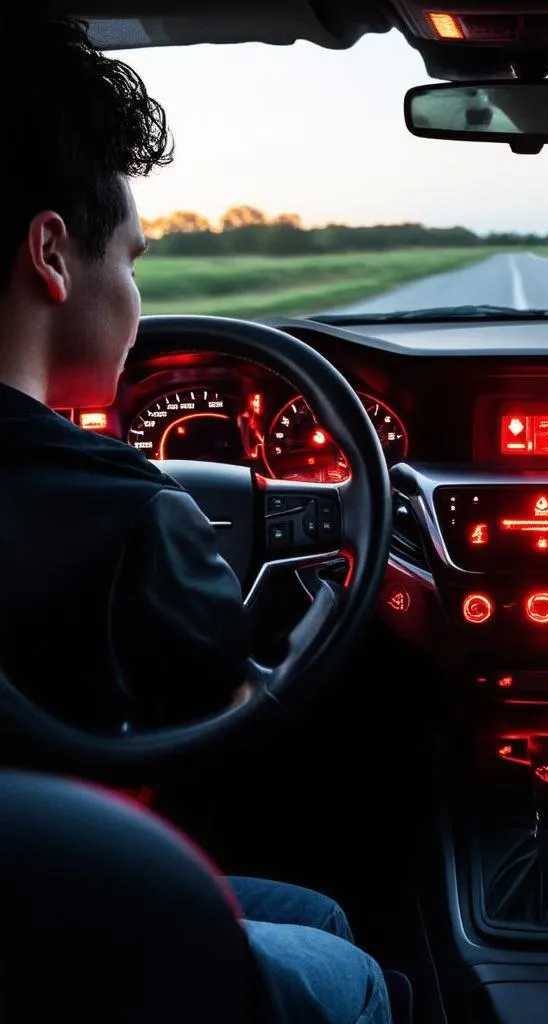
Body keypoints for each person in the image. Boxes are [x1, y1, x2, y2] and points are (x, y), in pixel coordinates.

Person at [0, 16, 395, 1024]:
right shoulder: (130, 511)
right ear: (51, 253)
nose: (136, 291)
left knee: (310, 914)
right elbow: (232, 708)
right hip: (42, 916)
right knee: (345, 965)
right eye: (130, 259)